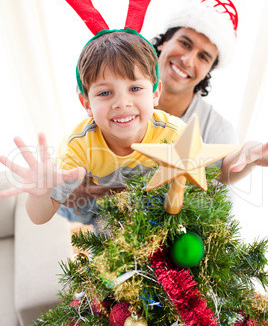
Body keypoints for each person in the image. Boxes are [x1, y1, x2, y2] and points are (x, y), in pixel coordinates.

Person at [0, 29, 267, 227]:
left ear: (155, 93)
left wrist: (249, 154)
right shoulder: (78, 146)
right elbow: (41, 215)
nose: (122, 103)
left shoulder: (173, 131)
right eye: (105, 93)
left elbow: (220, 170)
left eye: (135, 89)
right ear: (87, 104)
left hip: (155, 212)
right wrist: (39, 193)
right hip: (104, 216)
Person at [152, 0, 238, 146]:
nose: (188, 61)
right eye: (185, 43)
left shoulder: (217, 132)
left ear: (209, 70)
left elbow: (229, 170)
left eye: (203, 57)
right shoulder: (115, 98)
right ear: (164, 41)